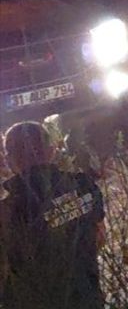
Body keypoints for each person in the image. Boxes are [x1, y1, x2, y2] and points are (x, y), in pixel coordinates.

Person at [0, 121, 106, 309]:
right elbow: (99, 237)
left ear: (9, 160)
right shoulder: (83, 187)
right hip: (87, 297)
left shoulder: (8, 212)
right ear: (51, 151)